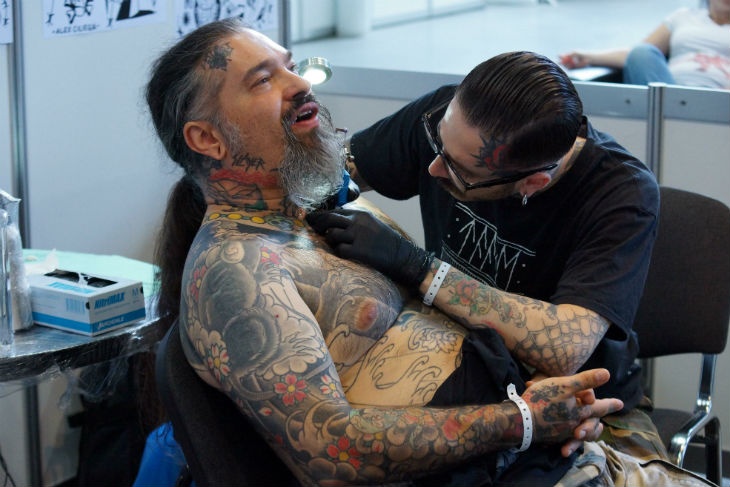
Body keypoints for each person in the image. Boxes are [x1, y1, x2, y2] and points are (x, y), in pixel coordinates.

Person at [144, 17, 632, 487]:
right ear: (207, 139)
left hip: (536, 452)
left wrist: (551, 408)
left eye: (290, 66)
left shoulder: (333, 209)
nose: (300, 84)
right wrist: (521, 421)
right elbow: (331, 453)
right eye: (263, 80)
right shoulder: (237, 271)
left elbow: (557, 348)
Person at [306, 51, 665, 465]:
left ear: (532, 183)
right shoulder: (451, 119)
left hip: (585, 399)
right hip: (465, 366)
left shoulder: (621, 194)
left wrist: (417, 266)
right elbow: (333, 171)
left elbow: (567, 346)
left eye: (459, 171)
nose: (434, 168)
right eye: (438, 144)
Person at [559, 0, 730, 89]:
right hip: (669, 88)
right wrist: (589, 58)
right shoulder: (684, 17)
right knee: (643, 52)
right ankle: (669, 115)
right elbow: (637, 55)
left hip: (717, 96)